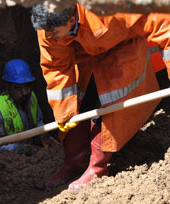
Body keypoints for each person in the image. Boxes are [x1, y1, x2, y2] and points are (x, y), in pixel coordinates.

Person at [31, 4, 170, 193]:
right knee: (74, 103)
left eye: (52, 32)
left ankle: (97, 167)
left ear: (72, 20)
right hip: (81, 49)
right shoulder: (48, 27)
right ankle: (75, 161)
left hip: (122, 45)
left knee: (115, 99)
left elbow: (163, 23)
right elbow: (55, 67)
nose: (48, 36)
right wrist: (64, 112)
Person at [0, 59, 58, 155]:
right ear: (8, 86)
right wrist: (24, 149)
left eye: (27, 86)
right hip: (10, 161)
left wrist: (44, 136)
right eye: (18, 88)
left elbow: (38, 121)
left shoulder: (31, 97)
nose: (24, 92)